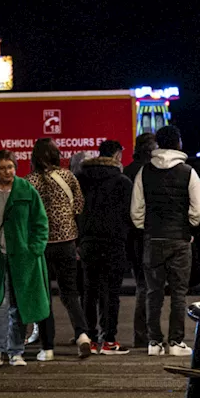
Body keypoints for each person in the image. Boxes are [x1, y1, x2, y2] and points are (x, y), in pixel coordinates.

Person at [131, 125, 200, 357]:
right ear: (178, 143)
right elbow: (199, 208)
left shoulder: (144, 172)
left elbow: (136, 211)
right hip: (179, 240)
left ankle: (154, 342)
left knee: (153, 292)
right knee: (178, 293)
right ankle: (175, 342)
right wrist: (188, 225)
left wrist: (149, 227)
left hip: (153, 239)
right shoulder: (188, 172)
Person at [0, 150, 50, 367]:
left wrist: (34, 249)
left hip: (23, 259)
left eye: (10, 167)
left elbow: (41, 222)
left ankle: (16, 351)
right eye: (2, 168)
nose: (7, 172)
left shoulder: (26, 190)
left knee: (20, 306)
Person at [26, 139, 92, 360]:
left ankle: (48, 347)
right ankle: (82, 335)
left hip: (41, 245)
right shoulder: (68, 176)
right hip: (66, 243)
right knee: (70, 293)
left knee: (43, 296)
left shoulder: (30, 182)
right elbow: (79, 206)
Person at [76, 139, 134, 355]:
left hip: (88, 241)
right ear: (117, 155)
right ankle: (108, 340)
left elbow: (75, 210)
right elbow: (129, 215)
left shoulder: (81, 178)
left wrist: (78, 240)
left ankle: (89, 337)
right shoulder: (123, 181)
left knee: (89, 291)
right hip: (114, 242)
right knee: (111, 293)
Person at [124, 133, 156, 348]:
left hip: (132, 237)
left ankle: (141, 334)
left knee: (142, 285)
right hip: (147, 234)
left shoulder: (127, 170)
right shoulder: (150, 171)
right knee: (150, 286)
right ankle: (147, 334)